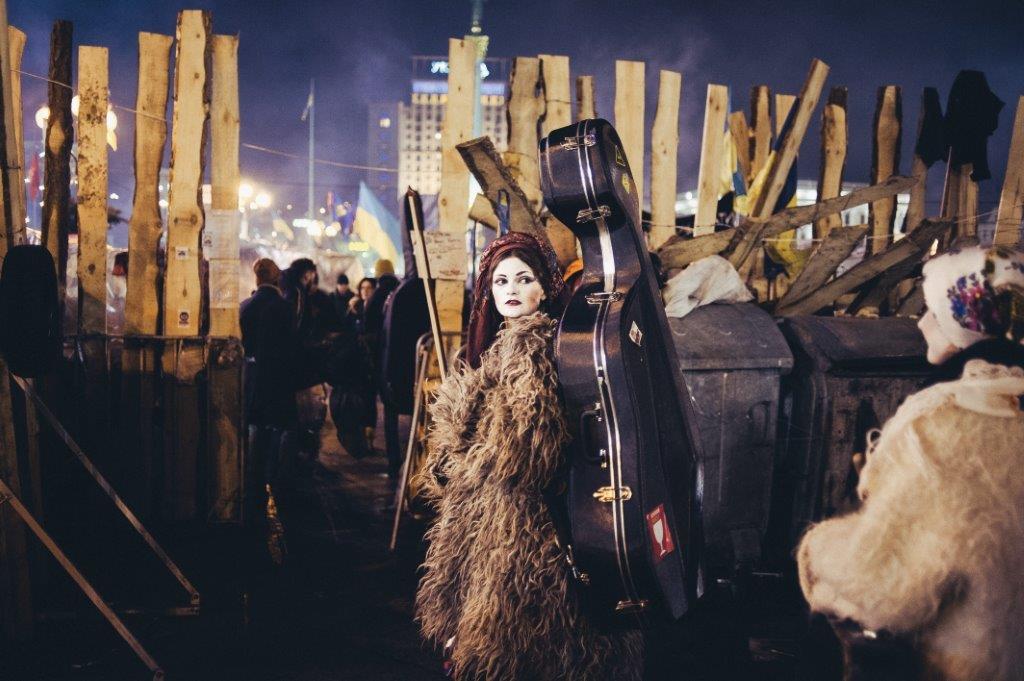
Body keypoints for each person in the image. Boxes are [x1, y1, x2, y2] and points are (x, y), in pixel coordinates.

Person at [415, 232, 642, 680]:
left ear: (545, 288)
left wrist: (457, 449)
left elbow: (524, 449)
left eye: (523, 279)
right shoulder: (504, 346)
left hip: (524, 531)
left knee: (518, 644)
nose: (512, 290)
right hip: (496, 522)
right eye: (500, 282)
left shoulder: (533, 346)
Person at [797, 246, 1024, 681]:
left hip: (972, 661)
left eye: (934, 312)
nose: (920, 323)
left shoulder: (940, 423)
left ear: (967, 324)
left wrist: (819, 548)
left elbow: (885, 585)